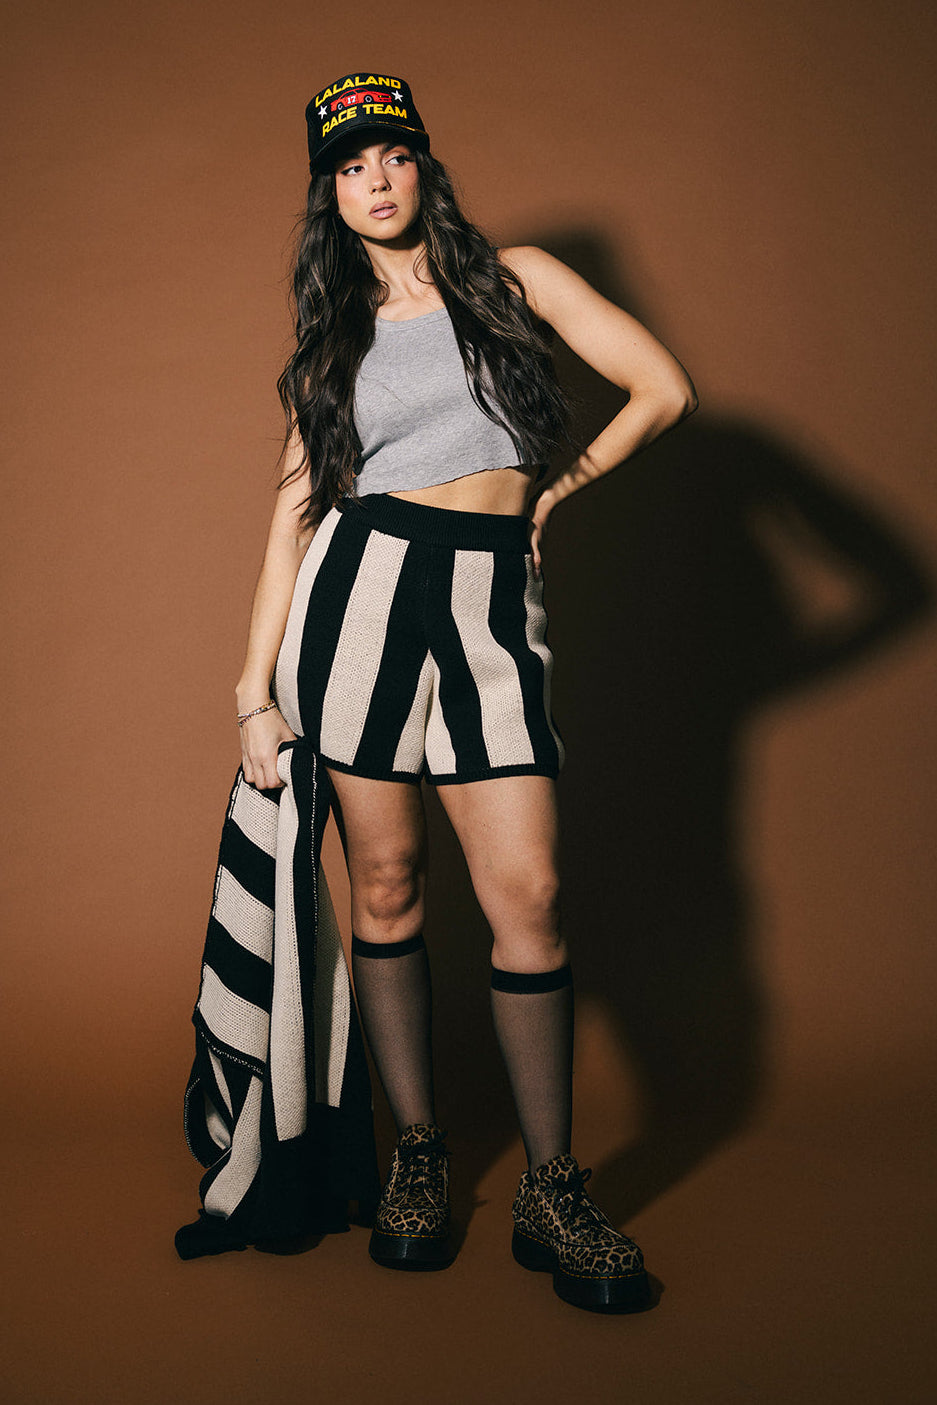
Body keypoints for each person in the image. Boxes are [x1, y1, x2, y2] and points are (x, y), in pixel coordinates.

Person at [234, 71, 697, 1313]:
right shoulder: (328, 346)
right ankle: (420, 1160)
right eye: (348, 167)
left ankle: (553, 1185)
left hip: (492, 603)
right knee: (385, 887)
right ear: (329, 197)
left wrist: (554, 491)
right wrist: (251, 692)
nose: (374, 180)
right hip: (360, 600)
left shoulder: (517, 279)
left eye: (391, 156)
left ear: (423, 167)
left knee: (528, 892)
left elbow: (664, 387)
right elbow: (291, 522)